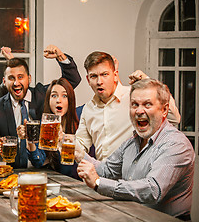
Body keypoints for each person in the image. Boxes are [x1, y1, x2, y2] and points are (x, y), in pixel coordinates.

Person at [76, 78, 194, 220]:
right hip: (132, 217)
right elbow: (106, 170)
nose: (139, 111)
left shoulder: (176, 144)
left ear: (164, 110)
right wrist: (74, 150)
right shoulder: (131, 143)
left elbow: (152, 189)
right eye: (134, 104)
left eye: (147, 104)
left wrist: (99, 183)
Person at [0, 45, 82, 168]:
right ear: (4, 81)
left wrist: (60, 56)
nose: (16, 83)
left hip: (48, 168)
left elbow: (72, 80)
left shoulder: (43, 95)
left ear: (29, 79)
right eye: (11, 78)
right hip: (14, 172)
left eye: (20, 77)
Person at [75, 51, 181, 161]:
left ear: (115, 75)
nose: (99, 81)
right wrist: (61, 139)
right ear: (88, 80)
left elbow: (174, 118)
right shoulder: (88, 109)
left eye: (104, 74)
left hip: (132, 175)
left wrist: (149, 81)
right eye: (94, 76)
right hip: (102, 175)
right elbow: (80, 145)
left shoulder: (133, 97)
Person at [17, 77, 79, 177]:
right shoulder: (45, 126)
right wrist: (31, 142)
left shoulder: (80, 120)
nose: (59, 100)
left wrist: (64, 140)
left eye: (64, 96)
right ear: (48, 100)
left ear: (71, 100)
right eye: (54, 96)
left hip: (80, 182)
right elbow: (38, 161)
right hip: (58, 182)